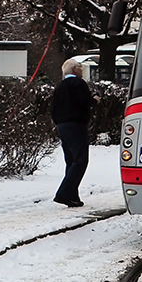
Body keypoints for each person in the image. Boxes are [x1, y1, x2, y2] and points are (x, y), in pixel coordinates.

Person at [51, 58, 94, 207]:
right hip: (77, 124)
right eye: (80, 67)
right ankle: (64, 193)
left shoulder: (60, 86)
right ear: (75, 70)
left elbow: (53, 108)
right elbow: (85, 101)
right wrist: (95, 100)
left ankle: (73, 196)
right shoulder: (78, 84)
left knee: (71, 161)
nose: (82, 70)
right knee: (80, 160)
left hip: (62, 126)